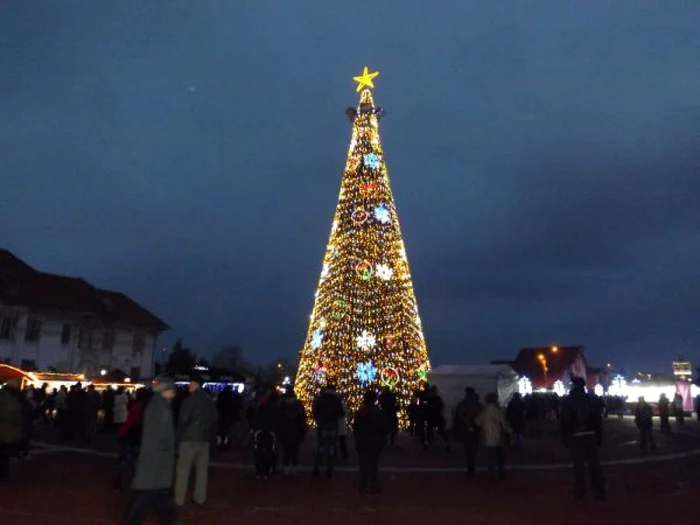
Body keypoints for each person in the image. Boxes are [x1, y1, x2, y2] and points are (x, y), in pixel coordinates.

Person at [123, 377, 179, 525]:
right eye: (172, 390)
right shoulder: (160, 408)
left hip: (155, 460)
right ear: (165, 390)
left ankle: (168, 520)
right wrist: (166, 450)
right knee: (149, 495)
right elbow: (159, 435)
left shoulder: (158, 405)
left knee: (156, 494)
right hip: (156, 460)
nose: (174, 393)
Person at [560, 377, 606, 502]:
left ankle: (579, 494)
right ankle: (599, 493)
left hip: (575, 436)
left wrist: (565, 438)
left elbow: (564, 421)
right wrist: (599, 437)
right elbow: (598, 420)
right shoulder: (591, 399)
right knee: (594, 466)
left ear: (574, 386)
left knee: (578, 467)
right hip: (591, 435)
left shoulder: (568, 401)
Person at [174, 375, 217, 507]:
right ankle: (200, 497)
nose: (189, 385)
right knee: (202, 471)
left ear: (196, 384)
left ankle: (178, 499)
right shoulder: (209, 401)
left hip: (189, 439)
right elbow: (214, 421)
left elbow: (183, 419)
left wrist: (177, 437)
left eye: (191, 383)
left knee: (183, 471)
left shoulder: (190, 400)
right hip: (204, 440)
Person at [114, 388, 149, 492]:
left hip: (131, 436)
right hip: (141, 437)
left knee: (124, 461)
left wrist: (121, 433)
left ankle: (120, 483)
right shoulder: (149, 407)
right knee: (136, 462)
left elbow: (129, 423)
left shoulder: (136, 406)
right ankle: (135, 484)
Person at [353, 390, 387, 494]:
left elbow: (356, 428)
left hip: (363, 441)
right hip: (374, 441)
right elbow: (383, 428)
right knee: (373, 464)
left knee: (363, 464)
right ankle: (374, 485)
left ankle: (363, 486)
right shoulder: (378, 412)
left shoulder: (361, 412)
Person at [0, 378, 33, 480]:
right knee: (5, 452)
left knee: (3, 452)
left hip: (6, 427)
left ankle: (4, 472)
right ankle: (4, 473)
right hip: (11, 428)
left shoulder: (5, 395)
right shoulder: (17, 397)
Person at [476, 392, 511, 480]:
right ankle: (501, 473)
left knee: (490, 458)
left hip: (487, 437)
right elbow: (504, 425)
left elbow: (478, 423)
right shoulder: (499, 411)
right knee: (500, 457)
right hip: (498, 437)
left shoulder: (483, 412)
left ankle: (491, 474)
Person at [312, 385, 344, 478]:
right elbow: (341, 413)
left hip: (322, 425)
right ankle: (329, 469)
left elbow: (315, 412)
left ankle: (316, 467)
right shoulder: (336, 399)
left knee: (321, 446)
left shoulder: (321, 399)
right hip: (333, 424)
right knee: (331, 446)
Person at [252, 388, 282, 479]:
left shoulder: (261, 405)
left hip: (259, 430)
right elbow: (279, 420)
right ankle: (266, 471)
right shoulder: (277, 407)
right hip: (271, 431)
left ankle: (258, 471)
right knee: (270, 451)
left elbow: (255, 416)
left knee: (259, 450)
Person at [453, 387, 482, 478]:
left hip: (466, 430)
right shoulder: (478, 405)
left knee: (468, 450)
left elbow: (457, 416)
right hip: (476, 429)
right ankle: (472, 469)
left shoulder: (462, 404)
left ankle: (470, 469)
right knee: (473, 449)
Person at [279, 390, 307, 476]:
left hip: (285, 431)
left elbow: (278, 419)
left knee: (286, 451)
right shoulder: (299, 406)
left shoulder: (282, 406)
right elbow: (303, 420)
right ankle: (294, 468)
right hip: (296, 431)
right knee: (295, 450)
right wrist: (303, 431)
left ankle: (286, 469)